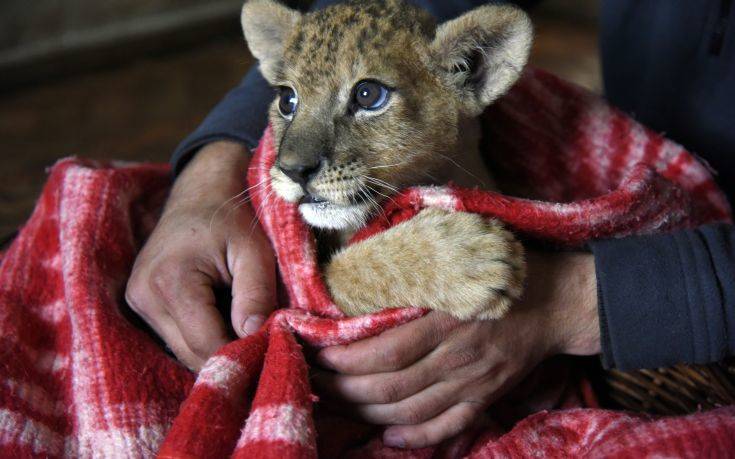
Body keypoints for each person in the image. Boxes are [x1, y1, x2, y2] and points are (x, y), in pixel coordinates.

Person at [125, 0, 735, 449]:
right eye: (286, 104)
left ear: (471, 72)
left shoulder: (461, 96)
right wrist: (213, 160)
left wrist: (573, 300)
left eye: (367, 99)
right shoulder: (300, 149)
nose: (298, 158)